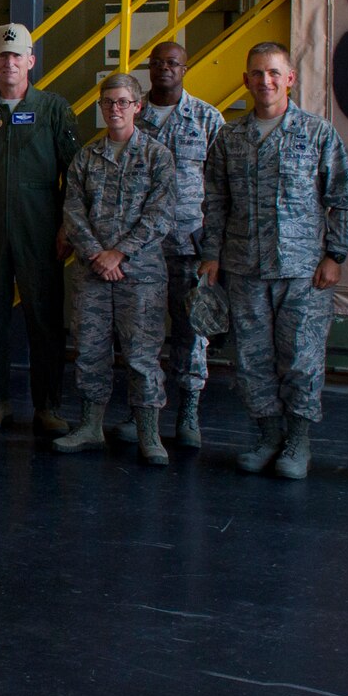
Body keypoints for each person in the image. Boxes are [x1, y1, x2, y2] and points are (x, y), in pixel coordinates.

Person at [200, 42, 348, 480]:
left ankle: (297, 441)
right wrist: (212, 255)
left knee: (300, 360)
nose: (265, 81)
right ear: (245, 80)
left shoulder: (317, 134)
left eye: (274, 73)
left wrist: (335, 256)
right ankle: (268, 435)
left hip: (303, 273)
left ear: (290, 78)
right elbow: (215, 202)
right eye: (257, 73)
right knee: (252, 361)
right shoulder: (230, 138)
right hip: (244, 270)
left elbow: (345, 201)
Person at [0, 22, 80, 434]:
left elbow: (75, 176)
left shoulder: (54, 109)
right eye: (3, 56)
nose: (10, 63)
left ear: (30, 60)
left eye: (17, 56)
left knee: (43, 318)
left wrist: (67, 225)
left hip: (41, 229)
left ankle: (48, 406)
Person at [52, 74, 178, 464]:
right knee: (90, 351)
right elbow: (72, 210)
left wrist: (119, 253)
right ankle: (90, 426)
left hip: (140, 276)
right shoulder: (86, 158)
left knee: (142, 356)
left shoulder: (158, 156)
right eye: (108, 103)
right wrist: (96, 255)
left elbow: (161, 214)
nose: (115, 109)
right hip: (92, 274)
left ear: (138, 106)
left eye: (123, 102)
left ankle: (148, 433)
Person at [122, 40, 225, 449]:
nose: (165, 68)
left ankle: (188, 414)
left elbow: (220, 189)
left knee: (191, 335)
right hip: (143, 248)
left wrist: (213, 250)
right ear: (148, 67)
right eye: (158, 62)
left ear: (185, 67)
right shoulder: (132, 112)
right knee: (139, 336)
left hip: (189, 246)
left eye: (173, 63)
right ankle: (140, 413)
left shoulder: (206, 119)